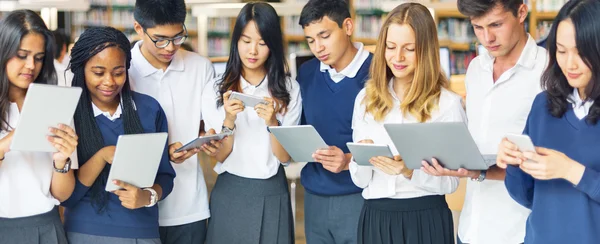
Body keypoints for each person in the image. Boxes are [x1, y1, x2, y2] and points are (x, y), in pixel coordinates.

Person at [419, 0, 547, 243]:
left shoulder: (549, 72)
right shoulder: (476, 68)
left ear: (521, 12)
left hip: (519, 230)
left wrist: (480, 171)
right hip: (470, 227)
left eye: (496, 24)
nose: (487, 38)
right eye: (477, 27)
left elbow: (551, 160)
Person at [350, 3, 464, 244]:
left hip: (425, 219)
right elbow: (359, 180)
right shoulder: (365, 99)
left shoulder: (447, 105)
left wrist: (410, 171)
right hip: (376, 218)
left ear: (425, 51)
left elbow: (452, 181)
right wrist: (363, 158)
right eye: (390, 47)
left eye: (409, 49)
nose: (397, 57)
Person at [60, 26, 176, 244]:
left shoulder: (149, 110)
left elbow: (166, 176)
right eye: (98, 72)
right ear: (81, 70)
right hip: (85, 232)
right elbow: (67, 196)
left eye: (118, 72)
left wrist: (147, 197)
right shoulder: (68, 114)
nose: (109, 82)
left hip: (142, 232)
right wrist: (102, 155)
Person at [499, 0, 600, 243]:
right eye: (561, 51)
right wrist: (513, 161)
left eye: (581, 53)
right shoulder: (543, 106)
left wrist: (571, 171)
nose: (569, 64)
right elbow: (525, 195)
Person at [201, 2, 301, 243]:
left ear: (273, 46)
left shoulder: (289, 89)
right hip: (230, 189)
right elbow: (222, 155)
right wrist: (229, 120)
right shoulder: (216, 89)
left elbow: (285, 158)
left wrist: (272, 123)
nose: (253, 51)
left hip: (272, 190)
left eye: (262, 43)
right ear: (236, 41)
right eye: (246, 41)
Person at [129, 0, 217, 243]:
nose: (170, 47)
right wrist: (161, 154)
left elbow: (208, 124)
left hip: (189, 207)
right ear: (138, 28)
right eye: (160, 39)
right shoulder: (121, 70)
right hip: (135, 206)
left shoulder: (200, 67)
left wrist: (209, 135)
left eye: (178, 37)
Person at [0, 10, 79, 244]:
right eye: (22, 55)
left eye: (38, 57)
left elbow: (62, 194)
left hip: (47, 226)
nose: (30, 66)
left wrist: (61, 161)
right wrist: (10, 142)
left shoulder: (54, 104)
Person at [297, 0, 372, 242]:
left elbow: (393, 142)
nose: (318, 47)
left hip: (361, 196)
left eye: (324, 35)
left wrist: (349, 159)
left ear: (347, 26)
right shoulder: (307, 73)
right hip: (314, 197)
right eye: (310, 40)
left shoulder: (379, 71)